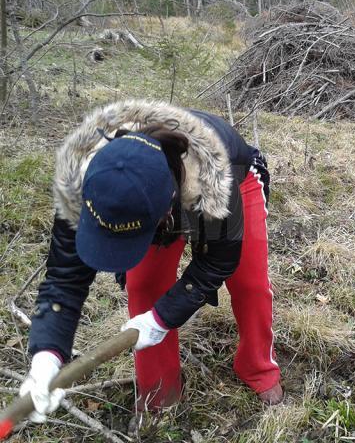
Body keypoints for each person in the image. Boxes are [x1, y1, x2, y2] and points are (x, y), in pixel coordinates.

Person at [19, 99, 283, 423]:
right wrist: (46, 356)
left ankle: (258, 367)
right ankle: (160, 394)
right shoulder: (84, 183)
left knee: (249, 283)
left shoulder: (214, 181)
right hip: (151, 197)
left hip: (233, 178)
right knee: (143, 286)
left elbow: (216, 263)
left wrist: (161, 319)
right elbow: (63, 280)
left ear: (165, 212)